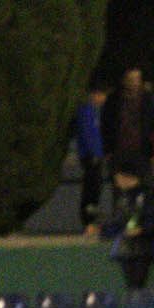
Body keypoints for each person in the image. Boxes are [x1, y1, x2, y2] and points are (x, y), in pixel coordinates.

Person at [101, 67, 154, 220]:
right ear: (124, 80)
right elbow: (106, 127)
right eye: (130, 79)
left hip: (142, 152)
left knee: (146, 188)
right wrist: (108, 151)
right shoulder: (113, 100)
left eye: (137, 79)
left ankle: (144, 224)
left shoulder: (148, 100)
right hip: (119, 152)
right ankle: (121, 222)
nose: (133, 83)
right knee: (119, 192)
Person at [72, 81, 110, 235]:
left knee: (95, 188)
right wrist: (94, 154)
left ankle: (91, 220)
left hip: (96, 156)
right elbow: (88, 136)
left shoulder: (93, 111)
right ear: (95, 94)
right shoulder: (86, 111)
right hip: (91, 157)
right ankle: (88, 221)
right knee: (91, 189)